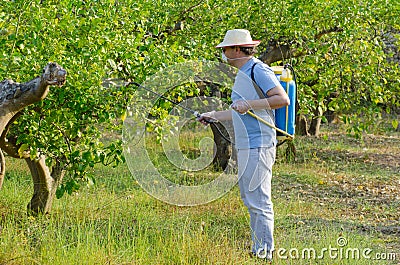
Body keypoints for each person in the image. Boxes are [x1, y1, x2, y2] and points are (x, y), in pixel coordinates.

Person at [198, 29, 290, 262]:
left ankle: (264, 253)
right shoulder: (242, 73)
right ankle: (258, 248)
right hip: (248, 144)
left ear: (238, 49)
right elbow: (239, 110)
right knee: (250, 197)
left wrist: (249, 103)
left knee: (258, 199)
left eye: (226, 49)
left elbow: (281, 99)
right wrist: (213, 115)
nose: (224, 53)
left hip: (260, 144)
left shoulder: (258, 69)